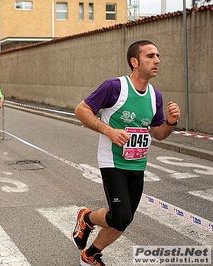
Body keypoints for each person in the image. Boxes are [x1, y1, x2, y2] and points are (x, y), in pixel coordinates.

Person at [72, 40, 181, 266]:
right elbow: (81, 110)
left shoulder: (155, 96)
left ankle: (91, 254)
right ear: (134, 61)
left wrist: (170, 123)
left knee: (123, 220)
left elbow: (158, 134)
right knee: (121, 215)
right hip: (112, 160)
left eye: (158, 55)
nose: (157, 60)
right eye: (150, 56)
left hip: (138, 164)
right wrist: (109, 131)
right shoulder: (115, 87)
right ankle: (87, 217)